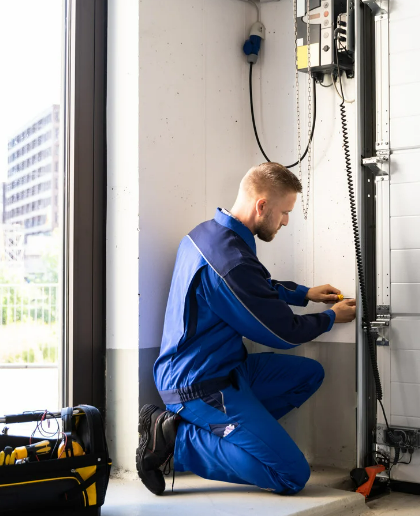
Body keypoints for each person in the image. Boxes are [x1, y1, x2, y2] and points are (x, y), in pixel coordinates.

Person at [136, 162, 357, 496]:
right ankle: (176, 441)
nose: (285, 221)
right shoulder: (229, 261)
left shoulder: (208, 235)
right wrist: (329, 318)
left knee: (308, 374)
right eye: (284, 212)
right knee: (291, 475)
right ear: (262, 205)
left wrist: (304, 294)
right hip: (198, 385)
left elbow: (255, 287)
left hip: (226, 368)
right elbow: (283, 333)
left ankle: (235, 437)